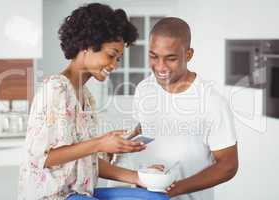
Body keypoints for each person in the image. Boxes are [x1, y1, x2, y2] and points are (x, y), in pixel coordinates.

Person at [18, 3, 169, 200]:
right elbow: (41, 158)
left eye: (118, 59)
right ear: (86, 46)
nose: (114, 65)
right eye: (111, 55)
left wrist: (140, 177)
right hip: (53, 196)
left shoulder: (86, 96)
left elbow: (87, 160)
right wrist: (99, 143)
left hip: (79, 193)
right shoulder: (55, 88)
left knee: (157, 198)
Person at [129, 17, 238, 200]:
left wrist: (175, 189)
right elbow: (143, 128)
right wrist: (123, 142)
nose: (160, 67)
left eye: (170, 58)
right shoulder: (143, 88)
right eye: (153, 56)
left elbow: (228, 164)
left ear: (188, 55)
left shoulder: (212, 102)